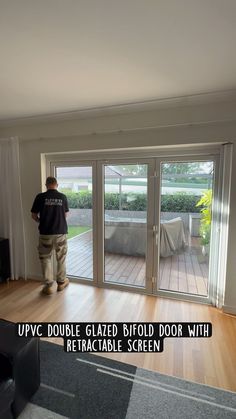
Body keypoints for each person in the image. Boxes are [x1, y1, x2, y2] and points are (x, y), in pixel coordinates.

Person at [31, 176, 69, 295]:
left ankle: (48, 286)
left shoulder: (40, 197)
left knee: (45, 258)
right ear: (56, 184)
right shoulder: (62, 197)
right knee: (61, 257)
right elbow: (66, 214)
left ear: (46, 185)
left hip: (45, 233)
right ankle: (61, 283)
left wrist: (40, 221)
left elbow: (33, 215)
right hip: (60, 232)